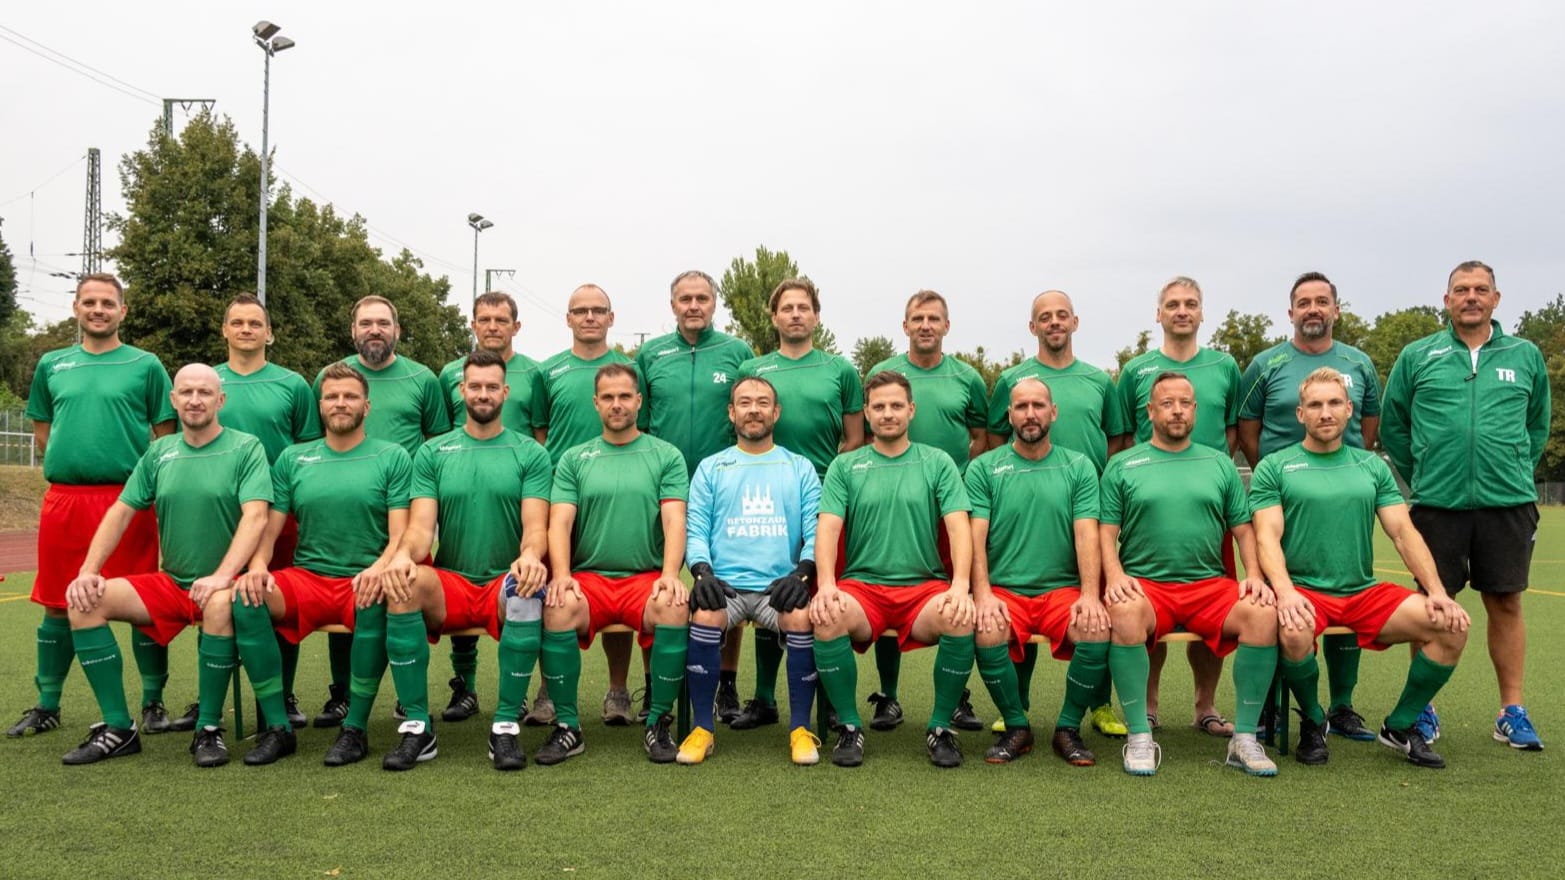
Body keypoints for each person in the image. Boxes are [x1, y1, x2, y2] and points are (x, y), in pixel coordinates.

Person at [1253, 368, 1469, 768]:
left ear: (1349, 409)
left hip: (1362, 592)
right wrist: (1285, 592)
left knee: (1452, 626)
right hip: (1305, 591)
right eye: (1315, 405)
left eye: (1334, 403)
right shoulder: (1275, 466)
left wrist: (1436, 591)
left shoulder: (1372, 466)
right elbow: (1267, 536)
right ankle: (1314, 719)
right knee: (1294, 631)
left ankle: (1400, 725)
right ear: (1300, 413)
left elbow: (1403, 532)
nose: (1325, 412)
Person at [58, 364, 271, 767]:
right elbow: (121, 511)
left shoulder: (246, 447)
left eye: (204, 392)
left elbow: (256, 516)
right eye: (186, 392)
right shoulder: (159, 451)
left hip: (227, 586)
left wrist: (222, 576)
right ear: (173, 400)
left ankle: (208, 729)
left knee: (220, 604)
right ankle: (119, 728)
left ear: (220, 400)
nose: (195, 400)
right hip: (172, 584)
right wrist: (89, 570)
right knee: (84, 602)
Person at [1381, 259, 1551, 751]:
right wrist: (1427, 472)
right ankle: (1423, 710)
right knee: (1431, 605)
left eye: (1480, 289)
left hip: (1507, 502)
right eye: (1461, 289)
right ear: (1447, 299)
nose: (1471, 297)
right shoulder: (1418, 355)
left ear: (1496, 299)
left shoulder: (1525, 355)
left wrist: (1512, 467)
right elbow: (1395, 425)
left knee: (1506, 602)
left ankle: (1511, 710)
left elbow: (1536, 424)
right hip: (1438, 503)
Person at [11, 273, 175, 739]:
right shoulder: (52, 364)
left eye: (107, 302)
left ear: (123, 310)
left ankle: (153, 701)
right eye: (89, 302)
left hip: (127, 502)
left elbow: (166, 438)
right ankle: (47, 703)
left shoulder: (146, 365)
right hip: (65, 501)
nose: (98, 309)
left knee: (143, 604)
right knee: (57, 603)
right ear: (76, 308)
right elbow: (43, 431)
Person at [381, 350, 554, 770]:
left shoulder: (531, 453)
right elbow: (421, 529)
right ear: (461, 391)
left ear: (505, 392)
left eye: (492, 386)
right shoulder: (433, 452)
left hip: (503, 580)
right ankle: (417, 728)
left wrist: (531, 555)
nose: (483, 394)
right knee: (403, 584)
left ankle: (505, 726)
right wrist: (402, 555)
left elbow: (535, 526)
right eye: (475, 386)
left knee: (525, 588)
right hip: (451, 583)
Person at [1100, 371, 1279, 777]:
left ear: (1196, 410)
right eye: (1167, 403)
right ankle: (1139, 736)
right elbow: (1105, 532)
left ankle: (1244, 740)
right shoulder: (1123, 464)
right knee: (1124, 613)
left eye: (1184, 403)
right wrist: (1115, 576)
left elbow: (1243, 529)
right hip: (1147, 586)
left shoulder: (1219, 463)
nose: (1177, 410)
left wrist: (1253, 574)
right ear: (1150, 411)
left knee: (1263, 614)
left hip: (1209, 585)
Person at [233, 362, 412, 766]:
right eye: (332, 396)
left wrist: (380, 567)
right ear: (320, 405)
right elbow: (270, 529)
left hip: (363, 578)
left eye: (350, 396)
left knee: (379, 597)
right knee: (247, 597)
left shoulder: (392, 456)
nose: (340, 403)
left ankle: (355, 729)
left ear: (367, 406)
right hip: (307, 579)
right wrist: (257, 565)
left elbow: (400, 534)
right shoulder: (293, 458)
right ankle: (278, 727)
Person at [1236, 272, 1385, 741]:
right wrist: (1276, 474)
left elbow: (1370, 423)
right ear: (1291, 312)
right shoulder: (1266, 363)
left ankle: (1342, 706)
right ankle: (1271, 706)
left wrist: (1347, 474)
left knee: (1348, 585)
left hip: (1344, 491)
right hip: (1284, 492)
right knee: (1278, 596)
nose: (1313, 309)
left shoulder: (1359, 363)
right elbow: (1247, 427)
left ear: (1336, 309)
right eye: (1304, 302)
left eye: (1322, 301)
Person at [809, 371, 976, 768]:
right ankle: (850, 726)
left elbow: (959, 527)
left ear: (911, 410)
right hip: (863, 588)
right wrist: (827, 584)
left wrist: (960, 586)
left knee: (959, 617)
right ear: (866, 413)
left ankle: (940, 728)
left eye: (896, 405)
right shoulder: (845, 465)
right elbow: (828, 529)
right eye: (879, 406)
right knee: (827, 615)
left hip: (923, 589)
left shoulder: (937, 462)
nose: (888, 413)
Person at [983, 289, 1129, 739]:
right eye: (1044, 317)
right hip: (1024, 496)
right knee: (1018, 591)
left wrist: (1094, 487)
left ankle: (1099, 705)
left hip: (1084, 503)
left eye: (1061, 315)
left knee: (1094, 604)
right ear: (1033, 327)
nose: (1054, 322)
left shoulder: (1099, 380)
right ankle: (1018, 705)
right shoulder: (1012, 378)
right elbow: (994, 438)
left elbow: (1117, 438)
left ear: (1075, 322)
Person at [534, 363, 691, 765]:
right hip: (590, 578)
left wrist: (670, 575)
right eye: (608, 397)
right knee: (557, 605)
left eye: (624, 396)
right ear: (595, 403)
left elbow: (674, 520)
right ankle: (568, 727)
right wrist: (562, 576)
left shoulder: (666, 455)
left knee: (674, 605)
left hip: (645, 578)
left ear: (638, 401)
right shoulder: (574, 458)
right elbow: (559, 522)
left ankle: (658, 722)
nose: (616, 404)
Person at [310, 296, 451, 729]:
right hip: (349, 505)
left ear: (397, 330)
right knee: (348, 585)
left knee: (399, 593)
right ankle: (341, 693)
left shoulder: (423, 378)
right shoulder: (331, 376)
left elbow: (436, 442)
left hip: (406, 509)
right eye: (366, 323)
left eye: (383, 323)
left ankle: (408, 698)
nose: (375, 330)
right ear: (353, 330)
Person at [1116, 276, 1242, 739]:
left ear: (1202, 312)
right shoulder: (1136, 370)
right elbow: (1123, 438)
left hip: (1208, 503)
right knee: (1144, 604)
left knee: (1214, 609)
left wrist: (1203, 475)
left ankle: (1204, 706)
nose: (1182, 311)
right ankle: (1147, 708)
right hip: (1150, 503)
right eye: (1172, 304)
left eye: (1191, 303)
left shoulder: (1225, 366)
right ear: (1159, 314)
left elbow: (1232, 431)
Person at [736, 278, 864, 731]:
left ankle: (830, 700)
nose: (795, 314)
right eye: (786, 307)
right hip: (768, 497)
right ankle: (764, 698)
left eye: (803, 307)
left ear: (816, 315)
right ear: (774, 317)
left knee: (823, 593)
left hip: (827, 497)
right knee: (771, 587)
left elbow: (854, 439)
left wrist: (830, 484)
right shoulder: (754, 368)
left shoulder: (840, 370)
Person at [677, 375, 822, 765]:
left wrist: (803, 572)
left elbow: (816, 531)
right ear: (731, 412)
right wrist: (702, 572)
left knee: (802, 617)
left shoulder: (799, 467)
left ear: (776, 412)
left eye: (762, 403)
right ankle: (703, 730)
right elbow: (696, 529)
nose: (753, 410)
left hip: (779, 589)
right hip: (727, 588)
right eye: (744, 402)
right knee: (705, 615)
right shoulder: (711, 467)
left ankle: (800, 730)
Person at [967, 378, 1111, 766]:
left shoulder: (1078, 466)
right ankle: (1017, 726)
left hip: (1061, 590)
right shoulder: (984, 468)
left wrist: (1089, 595)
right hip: (1004, 590)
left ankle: (1068, 728)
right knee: (985, 628)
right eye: (1021, 407)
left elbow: (1087, 534)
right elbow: (975, 538)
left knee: (1096, 628)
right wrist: (983, 595)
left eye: (1038, 405)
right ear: (1009, 415)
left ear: (1053, 412)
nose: (1030, 414)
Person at [635, 270, 756, 724]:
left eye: (702, 298)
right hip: (660, 485)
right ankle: (654, 683)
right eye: (685, 298)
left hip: (722, 483)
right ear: (672, 305)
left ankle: (727, 681)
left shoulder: (737, 352)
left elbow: (748, 410)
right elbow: (641, 421)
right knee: (655, 580)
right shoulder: (651, 354)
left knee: (726, 579)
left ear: (714, 303)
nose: (693, 306)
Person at [869, 290, 988, 732]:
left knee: (958, 596)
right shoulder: (885, 374)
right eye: (917, 318)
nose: (925, 325)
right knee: (885, 585)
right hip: (895, 500)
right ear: (905, 326)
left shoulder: (967, 377)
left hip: (949, 506)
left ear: (946, 326)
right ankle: (889, 696)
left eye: (933, 318)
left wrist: (953, 478)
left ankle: (957, 697)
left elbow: (981, 437)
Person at [436, 291, 548, 729]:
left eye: (501, 319)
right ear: (473, 324)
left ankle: (518, 695)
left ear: (516, 326)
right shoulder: (449, 373)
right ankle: (464, 687)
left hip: (519, 482)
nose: (493, 326)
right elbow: (442, 430)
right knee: (460, 564)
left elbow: (541, 432)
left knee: (524, 585)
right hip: (464, 479)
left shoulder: (535, 373)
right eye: (484, 319)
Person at [214, 294, 322, 731]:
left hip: (278, 512)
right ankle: (210, 701)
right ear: (224, 330)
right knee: (216, 600)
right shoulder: (207, 382)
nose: (246, 329)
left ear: (269, 333)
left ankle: (282, 695)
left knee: (278, 605)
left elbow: (308, 451)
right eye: (238, 322)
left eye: (255, 323)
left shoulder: (293, 385)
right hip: (222, 510)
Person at [535, 284, 638, 726]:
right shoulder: (548, 371)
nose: (590, 317)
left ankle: (618, 691)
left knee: (618, 586)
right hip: (561, 496)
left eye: (598, 310)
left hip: (613, 492)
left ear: (611, 318)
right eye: (581, 310)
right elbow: (541, 432)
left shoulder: (629, 370)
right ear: (568, 318)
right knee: (553, 593)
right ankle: (549, 691)